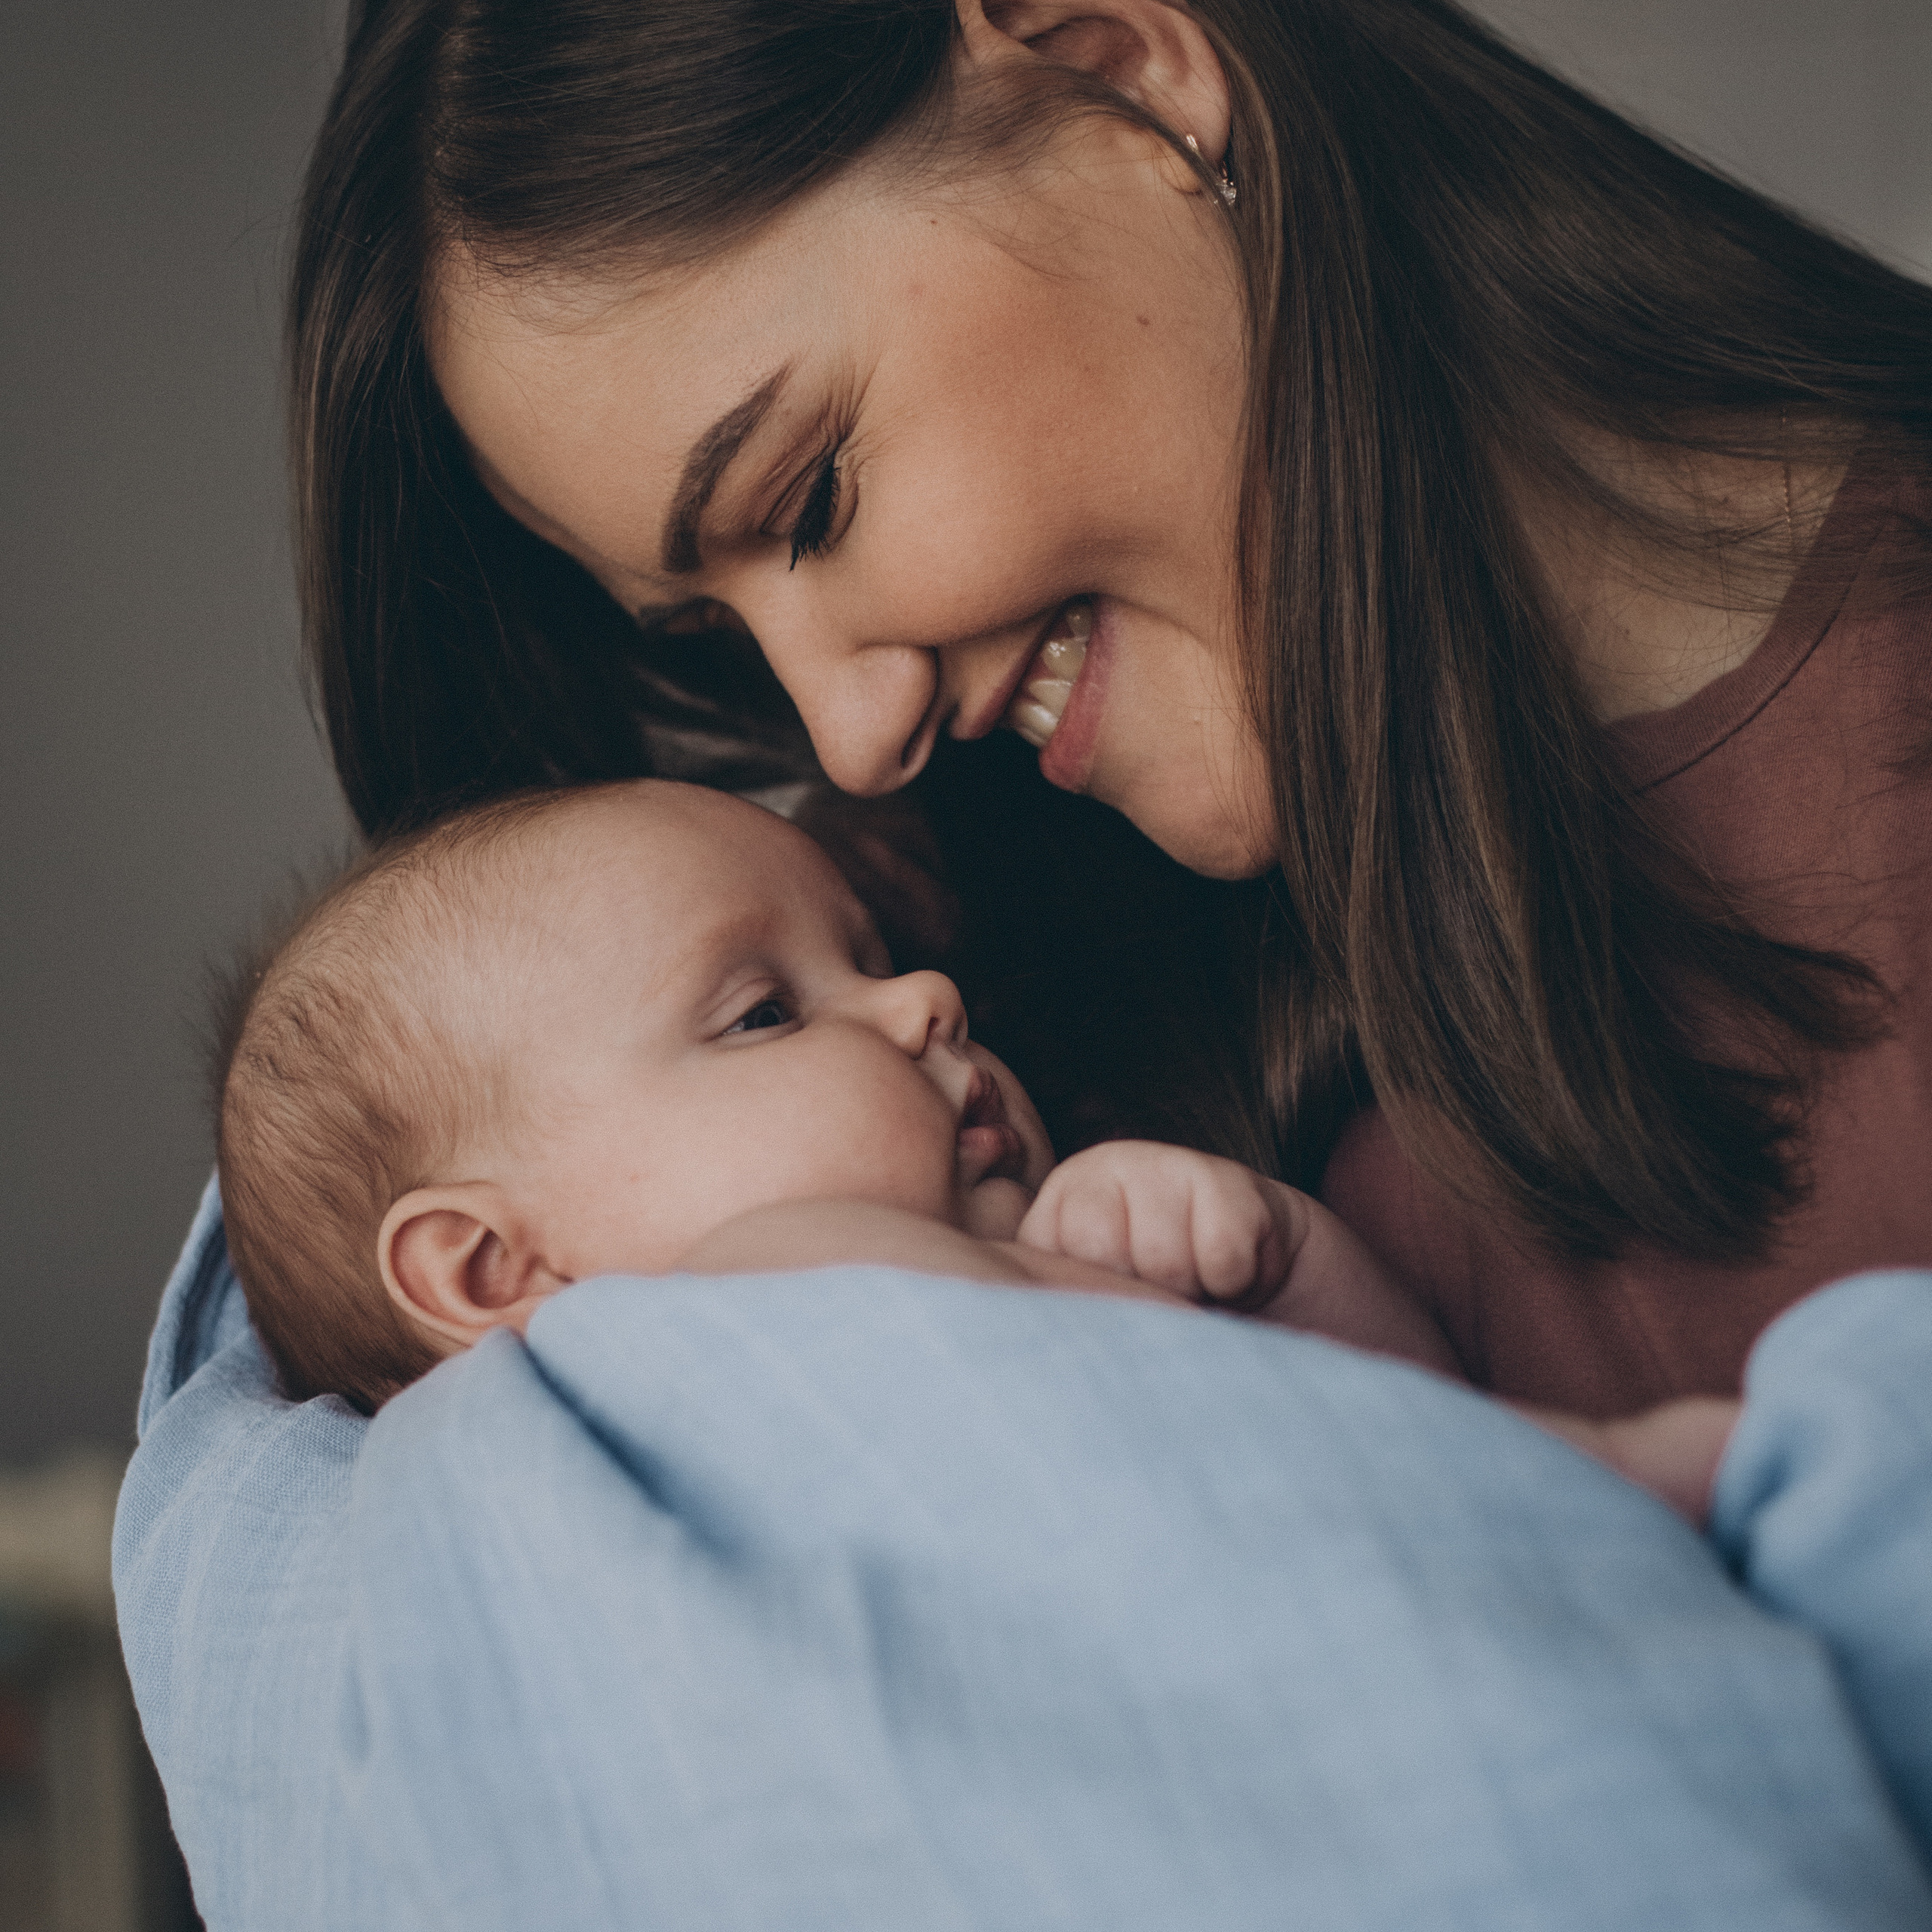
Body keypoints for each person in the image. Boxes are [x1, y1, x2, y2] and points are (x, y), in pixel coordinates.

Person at [291, 0, 1932, 1420]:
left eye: (808, 501)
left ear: (1122, 78)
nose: (850, 733)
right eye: (716, 631)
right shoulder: (905, 942)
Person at [215, 777, 1734, 1515]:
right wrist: (1604, 1466)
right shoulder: (697, 1335)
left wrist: (1284, 1267)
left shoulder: (1022, 1266)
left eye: (870, 947)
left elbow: (1378, 1430)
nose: (922, 995)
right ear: (491, 1265)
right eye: (761, 1011)